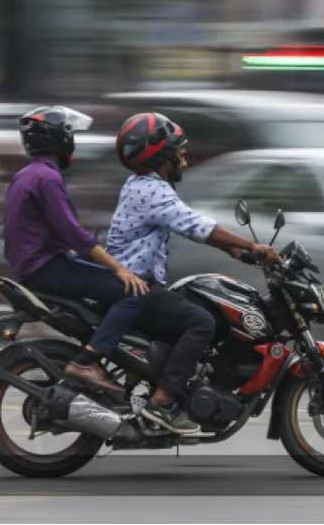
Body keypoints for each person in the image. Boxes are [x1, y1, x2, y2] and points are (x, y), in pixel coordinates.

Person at [108, 112, 280, 434]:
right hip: (135, 288)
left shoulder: (142, 185)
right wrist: (251, 247)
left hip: (133, 284)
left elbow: (189, 224)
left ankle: (181, 386)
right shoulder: (151, 190)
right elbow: (196, 225)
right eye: (179, 151)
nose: (184, 157)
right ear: (160, 155)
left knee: (196, 306)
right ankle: (163, 402)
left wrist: (235, 251)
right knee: (202, 321)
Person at [3, 106, 149, 400]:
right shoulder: (47, 178)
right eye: (71, 136)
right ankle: (88, 361)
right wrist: (120, 268)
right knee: (133, 291)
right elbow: (73, 234)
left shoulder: (26, 175)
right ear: (60, 139)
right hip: (48, 269)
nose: (74, 144)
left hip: (35, 266)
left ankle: (112, 350)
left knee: (108, 281)